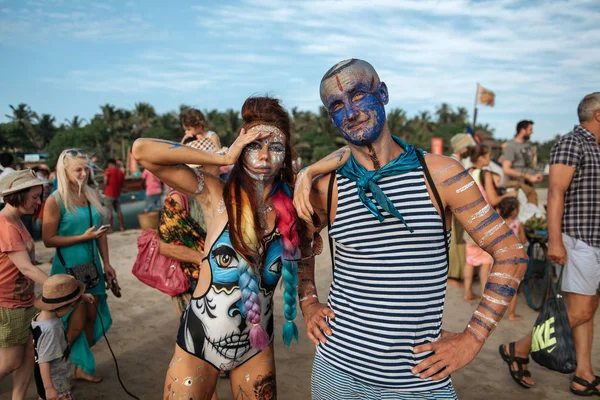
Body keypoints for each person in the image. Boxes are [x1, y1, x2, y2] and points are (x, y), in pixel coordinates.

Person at [293, 59, 528, 399]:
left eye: (359, 95)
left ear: (383, 93)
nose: (350, 111)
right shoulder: (327, 188)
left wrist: (472, 337)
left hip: (418, 380)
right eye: (336, 106)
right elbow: (299, 245)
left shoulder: (441, 175)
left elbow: (511, 253)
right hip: (336, 373)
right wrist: (309, 301)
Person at [133, 96, 301, 399]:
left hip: (256, 347)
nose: (264, 154)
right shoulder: (216, 195)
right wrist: (223, 157)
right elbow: (142, 151)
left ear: (285, 153)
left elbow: (346, 165)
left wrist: (315, 170)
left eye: (274, 146)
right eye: (254, 144)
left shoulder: (294, 208)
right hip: (199, 345)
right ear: (241, 145)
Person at [500, 92, 600, 394]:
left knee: (587, 307)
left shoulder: (595, 146)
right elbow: (555, 192)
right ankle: (518, 348)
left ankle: (583, 373)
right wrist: (555, 241)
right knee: (580, 310)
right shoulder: (573, 142)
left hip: (594, 239)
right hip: (580, 238)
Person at [42, 149, 116, 383]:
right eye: (78, 169)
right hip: (68, 272)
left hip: (92, 269)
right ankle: (53, 369)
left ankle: (79, 366)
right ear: (64, 171)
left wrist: (108, 264)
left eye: (86, 169)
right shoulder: (55, 200)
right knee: (73, 325)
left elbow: (100, 234)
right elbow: (48, 239)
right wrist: (81, 238)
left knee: (91, 319)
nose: (84, 174)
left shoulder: (93, 194)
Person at [0, 169, 50, 400]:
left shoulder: (17, 221)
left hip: (24, 300)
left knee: (30, 352)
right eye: (34, 197)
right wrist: (60, 286)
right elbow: (26, 267)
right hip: (8, 304)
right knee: (10, 361)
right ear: (18, 195)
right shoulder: (7, 225)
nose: (39, 202)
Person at [463, 144, 518, 301]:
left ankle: (467, 293)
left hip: (468, 223)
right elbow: (493, 200)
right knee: (486, 262)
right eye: (488, 156)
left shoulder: (467, 173)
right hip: (485, 224)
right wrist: (509, 195)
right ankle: (484, 296)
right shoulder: (485, 174)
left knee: (470, 260)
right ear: (480, 158)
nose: (490, 159)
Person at [31, 274, 86, 400]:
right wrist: (49, 388)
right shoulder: (50, 330)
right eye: (72, 306)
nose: (73, 309)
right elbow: (43, 360)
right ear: (62, 306)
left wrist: (80, 298)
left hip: (54, 378)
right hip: (55, 383)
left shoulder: (41, 317)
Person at [157, 189, 206, 317]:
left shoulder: (227, 190)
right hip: (191, 280)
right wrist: (204, 260)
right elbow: (164, 247)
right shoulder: (177, 198)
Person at [447, 133, 477, 287]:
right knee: (454, 241)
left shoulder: (457, 161)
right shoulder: (453, 162)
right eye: (466, 147)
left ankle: (456, 274)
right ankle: (452, 276)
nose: (468, 150)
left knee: (458, 240)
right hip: (453, 207)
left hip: (456, 207)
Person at [495, 197, 525, 321]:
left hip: (499, 260)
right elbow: (523, 241)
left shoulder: (498, 223)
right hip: (515, 261)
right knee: (513, 290)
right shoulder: (517, 224)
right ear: (514, 211)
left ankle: (495, 314)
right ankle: (511, 314)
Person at [501, 120, 543, 205]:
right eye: (530, 129)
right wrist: (527, 176)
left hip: (529, 186)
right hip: (517, 186)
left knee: (534, 215)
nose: (532, 132)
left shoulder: (528, 145)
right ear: (523, 130)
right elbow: (506, 169)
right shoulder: (511, 146)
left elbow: (529, 165)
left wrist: (535, 176)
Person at [102, 158, 125, 231]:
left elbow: (105, 182)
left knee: (109, 212)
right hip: (117, 194)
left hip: (109, 194)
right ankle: (121, 227)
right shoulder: (120, 172)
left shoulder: (108, 170)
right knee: (119, 211)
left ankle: (110, 228)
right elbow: (122, 184)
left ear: (110, 164)